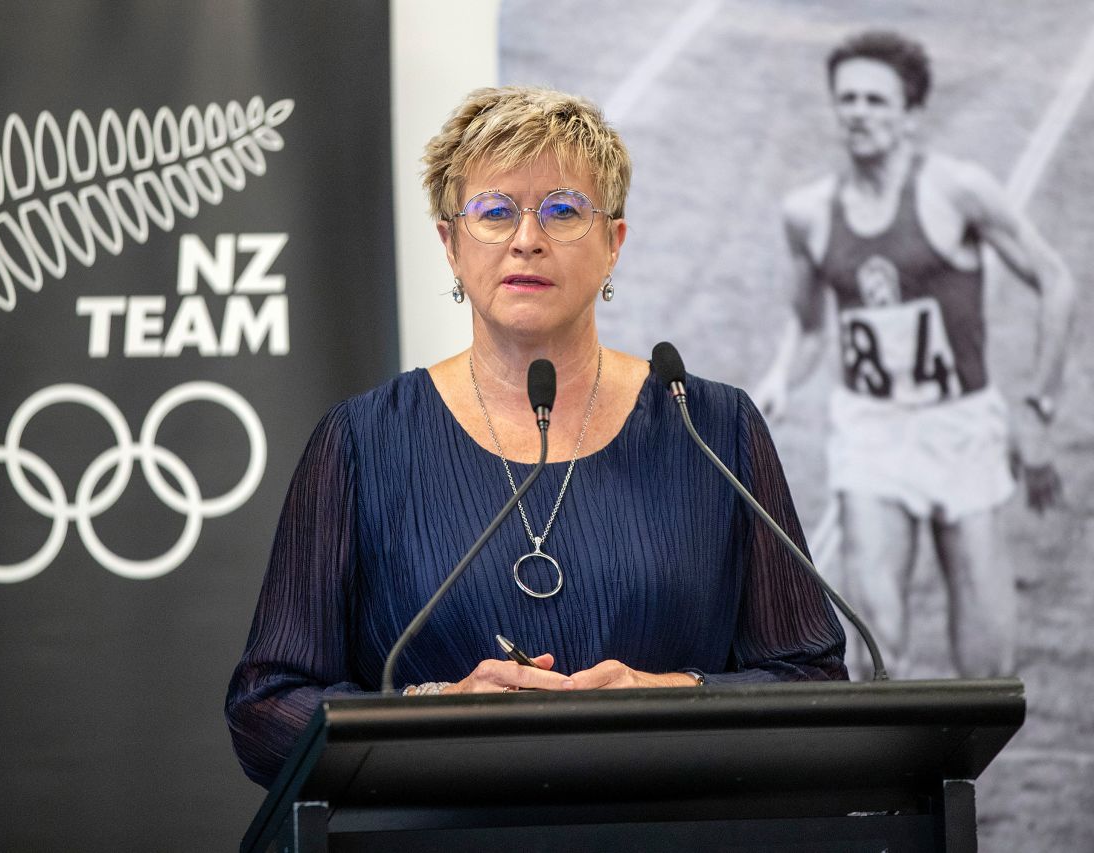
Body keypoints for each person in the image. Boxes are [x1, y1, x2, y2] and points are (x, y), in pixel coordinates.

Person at [227, 86, 847, 788]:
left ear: (614, 243)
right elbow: (264, 710)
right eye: (494, 212)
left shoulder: (712, 429)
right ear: (450, 244)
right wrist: (433, 709)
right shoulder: (363, 443)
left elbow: (814, 674)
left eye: (562, 209)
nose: (528, 237)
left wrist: (678, 693)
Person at [754, 31, 1075, 679]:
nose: (859, 112)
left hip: (962, 429)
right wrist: (780, 378)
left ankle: (961, 781)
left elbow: (1056, 281)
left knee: (989, 667)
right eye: (847, 98)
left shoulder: (959, 192)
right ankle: (890, 780)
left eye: (876, 99)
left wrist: (1039, 408)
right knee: (876, 644)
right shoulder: (809, 214)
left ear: (910, 113)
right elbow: (811, 325)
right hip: (872, 432)